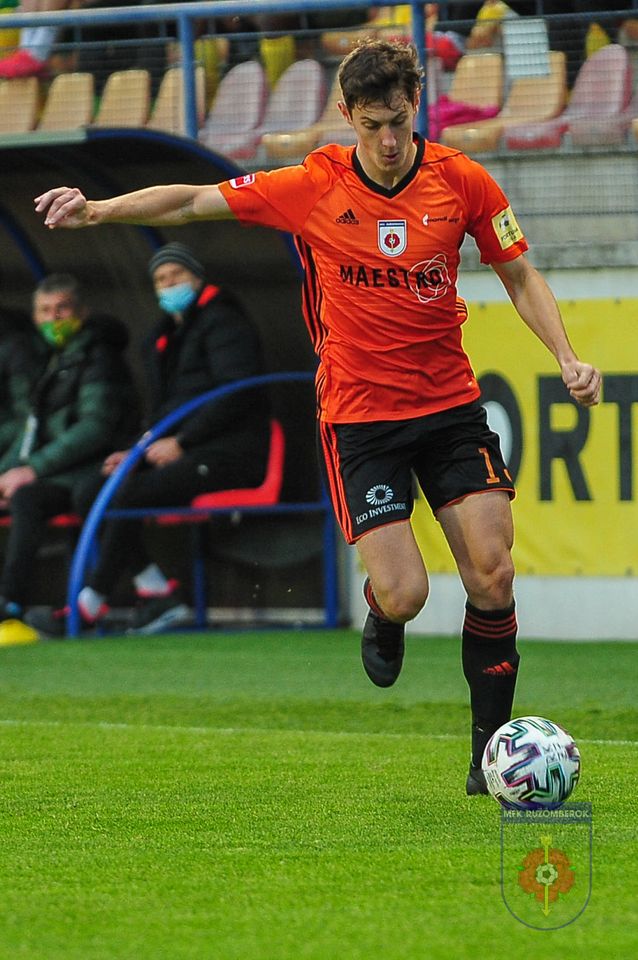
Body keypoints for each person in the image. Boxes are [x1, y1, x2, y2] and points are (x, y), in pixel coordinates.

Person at [34, 39, 601, 793]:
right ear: (346, 115)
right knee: (406, 592)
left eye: (399, 122)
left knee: (493, 574)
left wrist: (566, 355)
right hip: (360, 419)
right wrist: (99, 210)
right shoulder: (313, 184)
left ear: (416, 106)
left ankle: (489, 756)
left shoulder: (462, 180)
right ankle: (383, 612)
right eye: (373, 126)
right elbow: (195, 200)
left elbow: (520, 275)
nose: (389, 142)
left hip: (451, 409)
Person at [32, 242, 271, 637]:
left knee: (125, 495)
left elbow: (237, 393)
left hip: (228, 453)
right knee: (91, 490)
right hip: (184, 449)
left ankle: (91, 602)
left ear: (198, 278)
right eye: (161, 279)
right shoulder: (165, 335)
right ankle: (157, 592)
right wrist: (135, 451)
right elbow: (167, 410)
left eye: (177, 275)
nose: (169, 284)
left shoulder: (225, 323)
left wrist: (183, 441)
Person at [0, 273, 137, 645]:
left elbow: (96, 428)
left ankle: (21, 606)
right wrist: (7, 473)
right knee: (24, 496)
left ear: (82, 312)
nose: (53, 318)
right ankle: (10, 605)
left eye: (62, 309)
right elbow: (34, 427)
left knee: (37, 495)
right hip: (66, 471)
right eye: (45, 311)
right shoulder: (54, 359)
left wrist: (33, 469)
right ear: (34, 317)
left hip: (98, 469)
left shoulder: (99, 356)